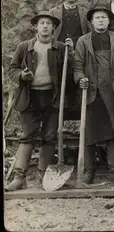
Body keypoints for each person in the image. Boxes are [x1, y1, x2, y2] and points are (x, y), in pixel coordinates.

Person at [6, 12, 74, 191]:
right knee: (27, 136)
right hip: (30, 97)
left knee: (50, 136)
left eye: (49, 23)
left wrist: (71, 52)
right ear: (36, 27)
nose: (45, 26)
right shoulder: (24, 47)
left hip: (52, 97)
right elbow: (12, 69)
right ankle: (19, 177)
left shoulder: (60, 48)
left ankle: (43, 174)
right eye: (42, 23)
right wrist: (22, 75)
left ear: (53, 28)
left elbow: (70, 72)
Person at [73, 1, 114, 184]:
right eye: (97, 18)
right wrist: (80, 78)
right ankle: (89, 172)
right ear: (91, 21)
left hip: (112, 92)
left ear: (109, 21)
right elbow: (77, 65)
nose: (101, 20)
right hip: (91, 94)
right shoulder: (83, 41)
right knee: (89, 133)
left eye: (104, 17)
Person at [49, 0, 93, 120]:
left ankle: (76, 116)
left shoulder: (85, 12)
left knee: (77, 77)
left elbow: (90, 31)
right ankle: (59, 115)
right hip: (59, 51)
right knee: (60, 79)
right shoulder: (53, 12)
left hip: (79, 51)